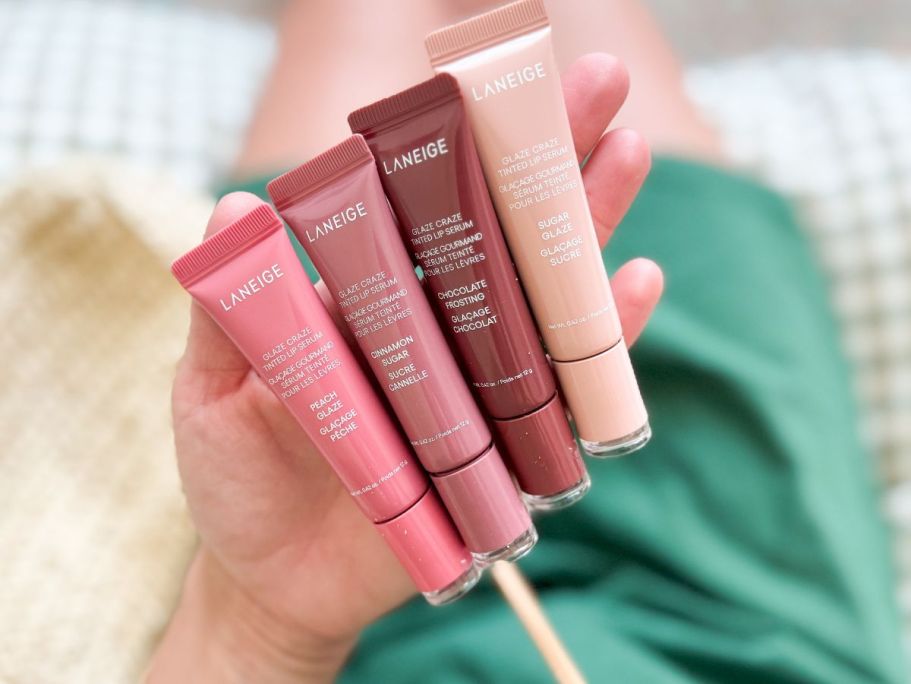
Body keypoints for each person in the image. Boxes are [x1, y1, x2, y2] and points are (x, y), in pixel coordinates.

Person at [147, 1, 906, 682]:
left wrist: (259, 624)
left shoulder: (300, 590)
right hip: (752, 581)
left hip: (367, 572)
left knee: (359, 21)